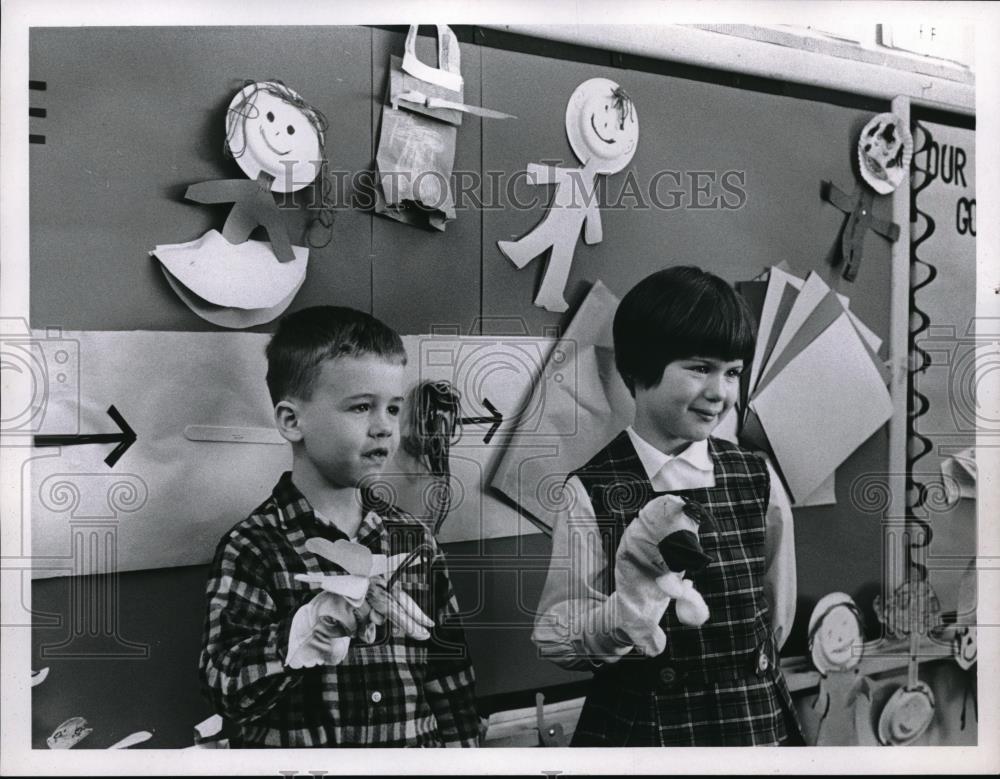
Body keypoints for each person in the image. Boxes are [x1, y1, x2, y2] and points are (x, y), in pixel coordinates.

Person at [531, 266, 801, 746]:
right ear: (637, 367)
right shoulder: (590, 491)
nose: (720, 392)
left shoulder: (758, 477)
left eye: (733, 372)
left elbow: (776, 613)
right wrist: (620, 620)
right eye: (700, 367)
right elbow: (557, 631)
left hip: (752, 720)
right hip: (648, 731)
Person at [199, 306, 481, 747]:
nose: (384, 427)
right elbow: (225, 688)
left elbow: (451, 683)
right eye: (362, 407)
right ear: (293, 421)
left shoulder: (414, 541)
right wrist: (309, 624)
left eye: (392, 408)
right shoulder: (253, 546)